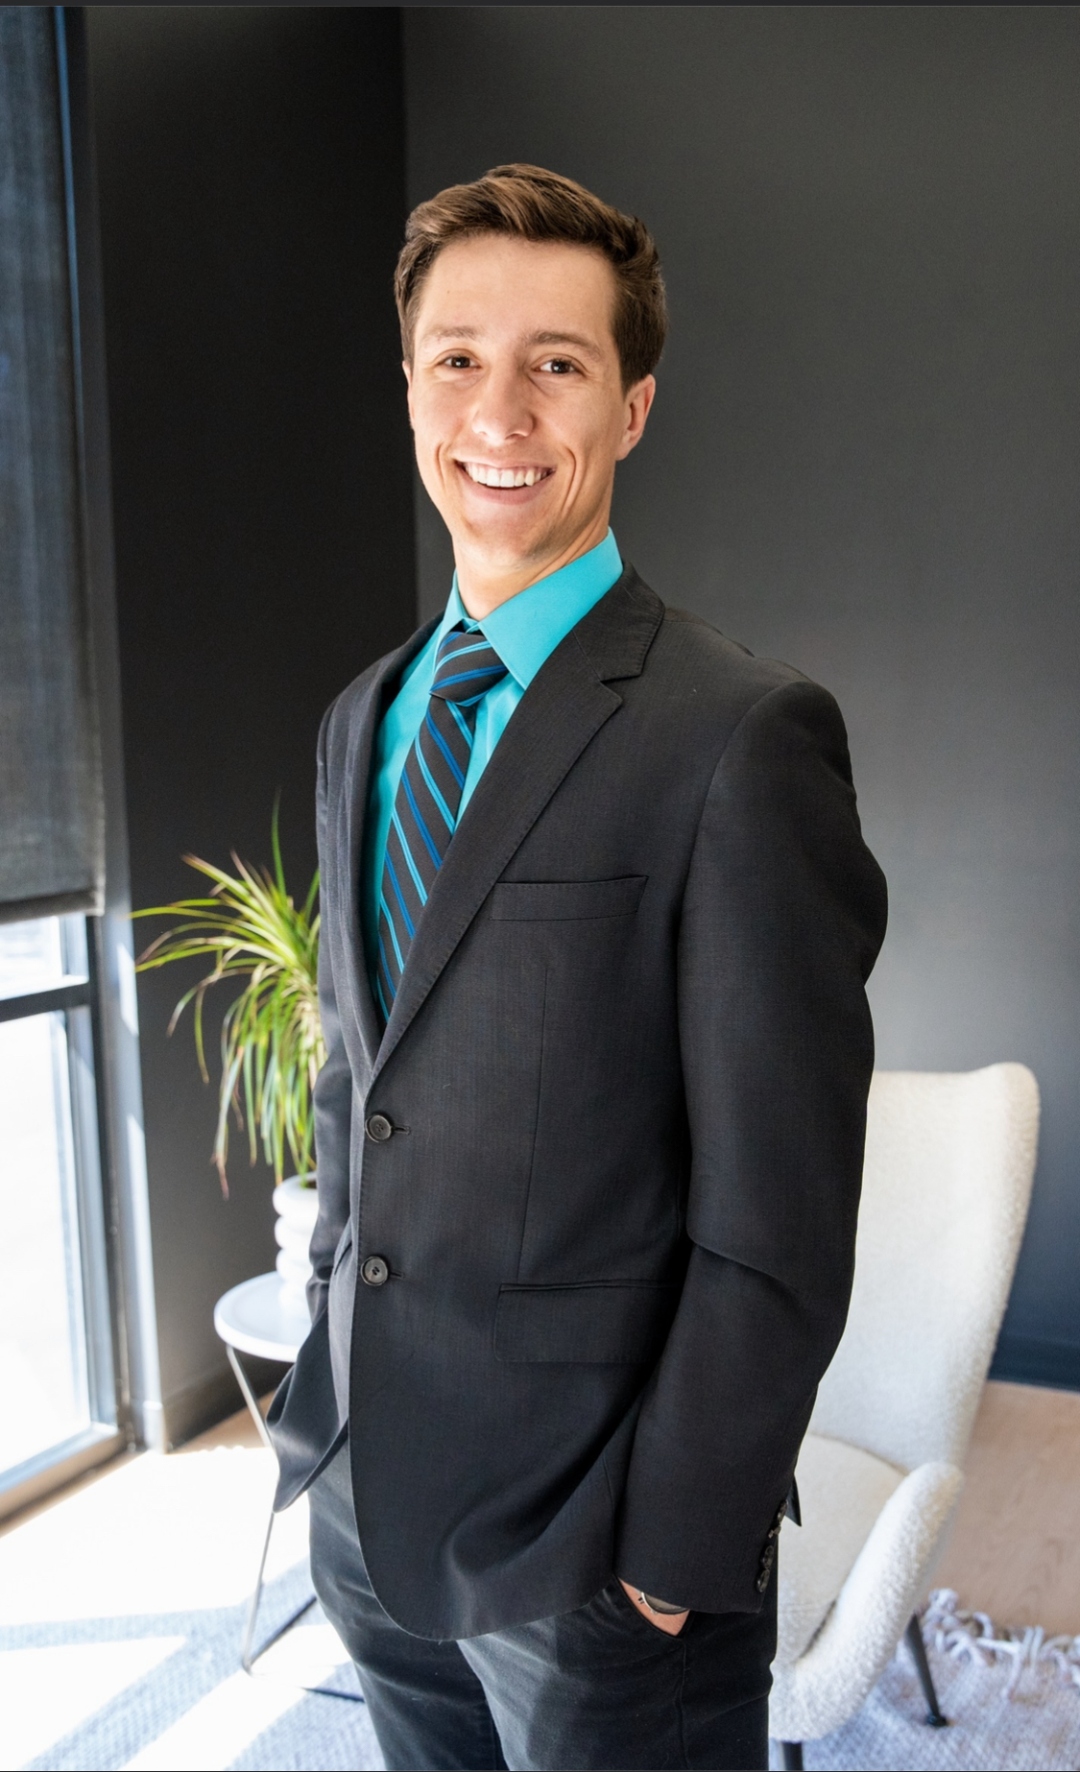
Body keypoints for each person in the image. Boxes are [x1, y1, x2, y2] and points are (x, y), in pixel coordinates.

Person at [267, 163, 888, 1772]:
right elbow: (360, 1075)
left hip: (599, 1556)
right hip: (370, 1499)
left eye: (559, 362)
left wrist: (671, 1565)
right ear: (409, 387)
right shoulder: (365, 717)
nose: (502, 407)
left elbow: (781, 1214)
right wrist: (321, 1397)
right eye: (458, 357)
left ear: (633, 407)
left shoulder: (741, 737)